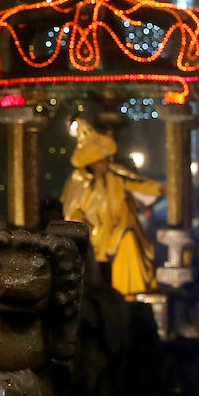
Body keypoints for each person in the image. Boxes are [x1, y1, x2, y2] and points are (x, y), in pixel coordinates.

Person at [59, 120, 164, 296]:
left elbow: (139, 187)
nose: (107, 163)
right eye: (102, 160)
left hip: (118, 232)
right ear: (92, 162)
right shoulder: (81, 183)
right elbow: (73, 213)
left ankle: (129, 292)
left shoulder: (116, 178)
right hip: (96, 238)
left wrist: (162, 188)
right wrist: (87, 229)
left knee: (128, 237)